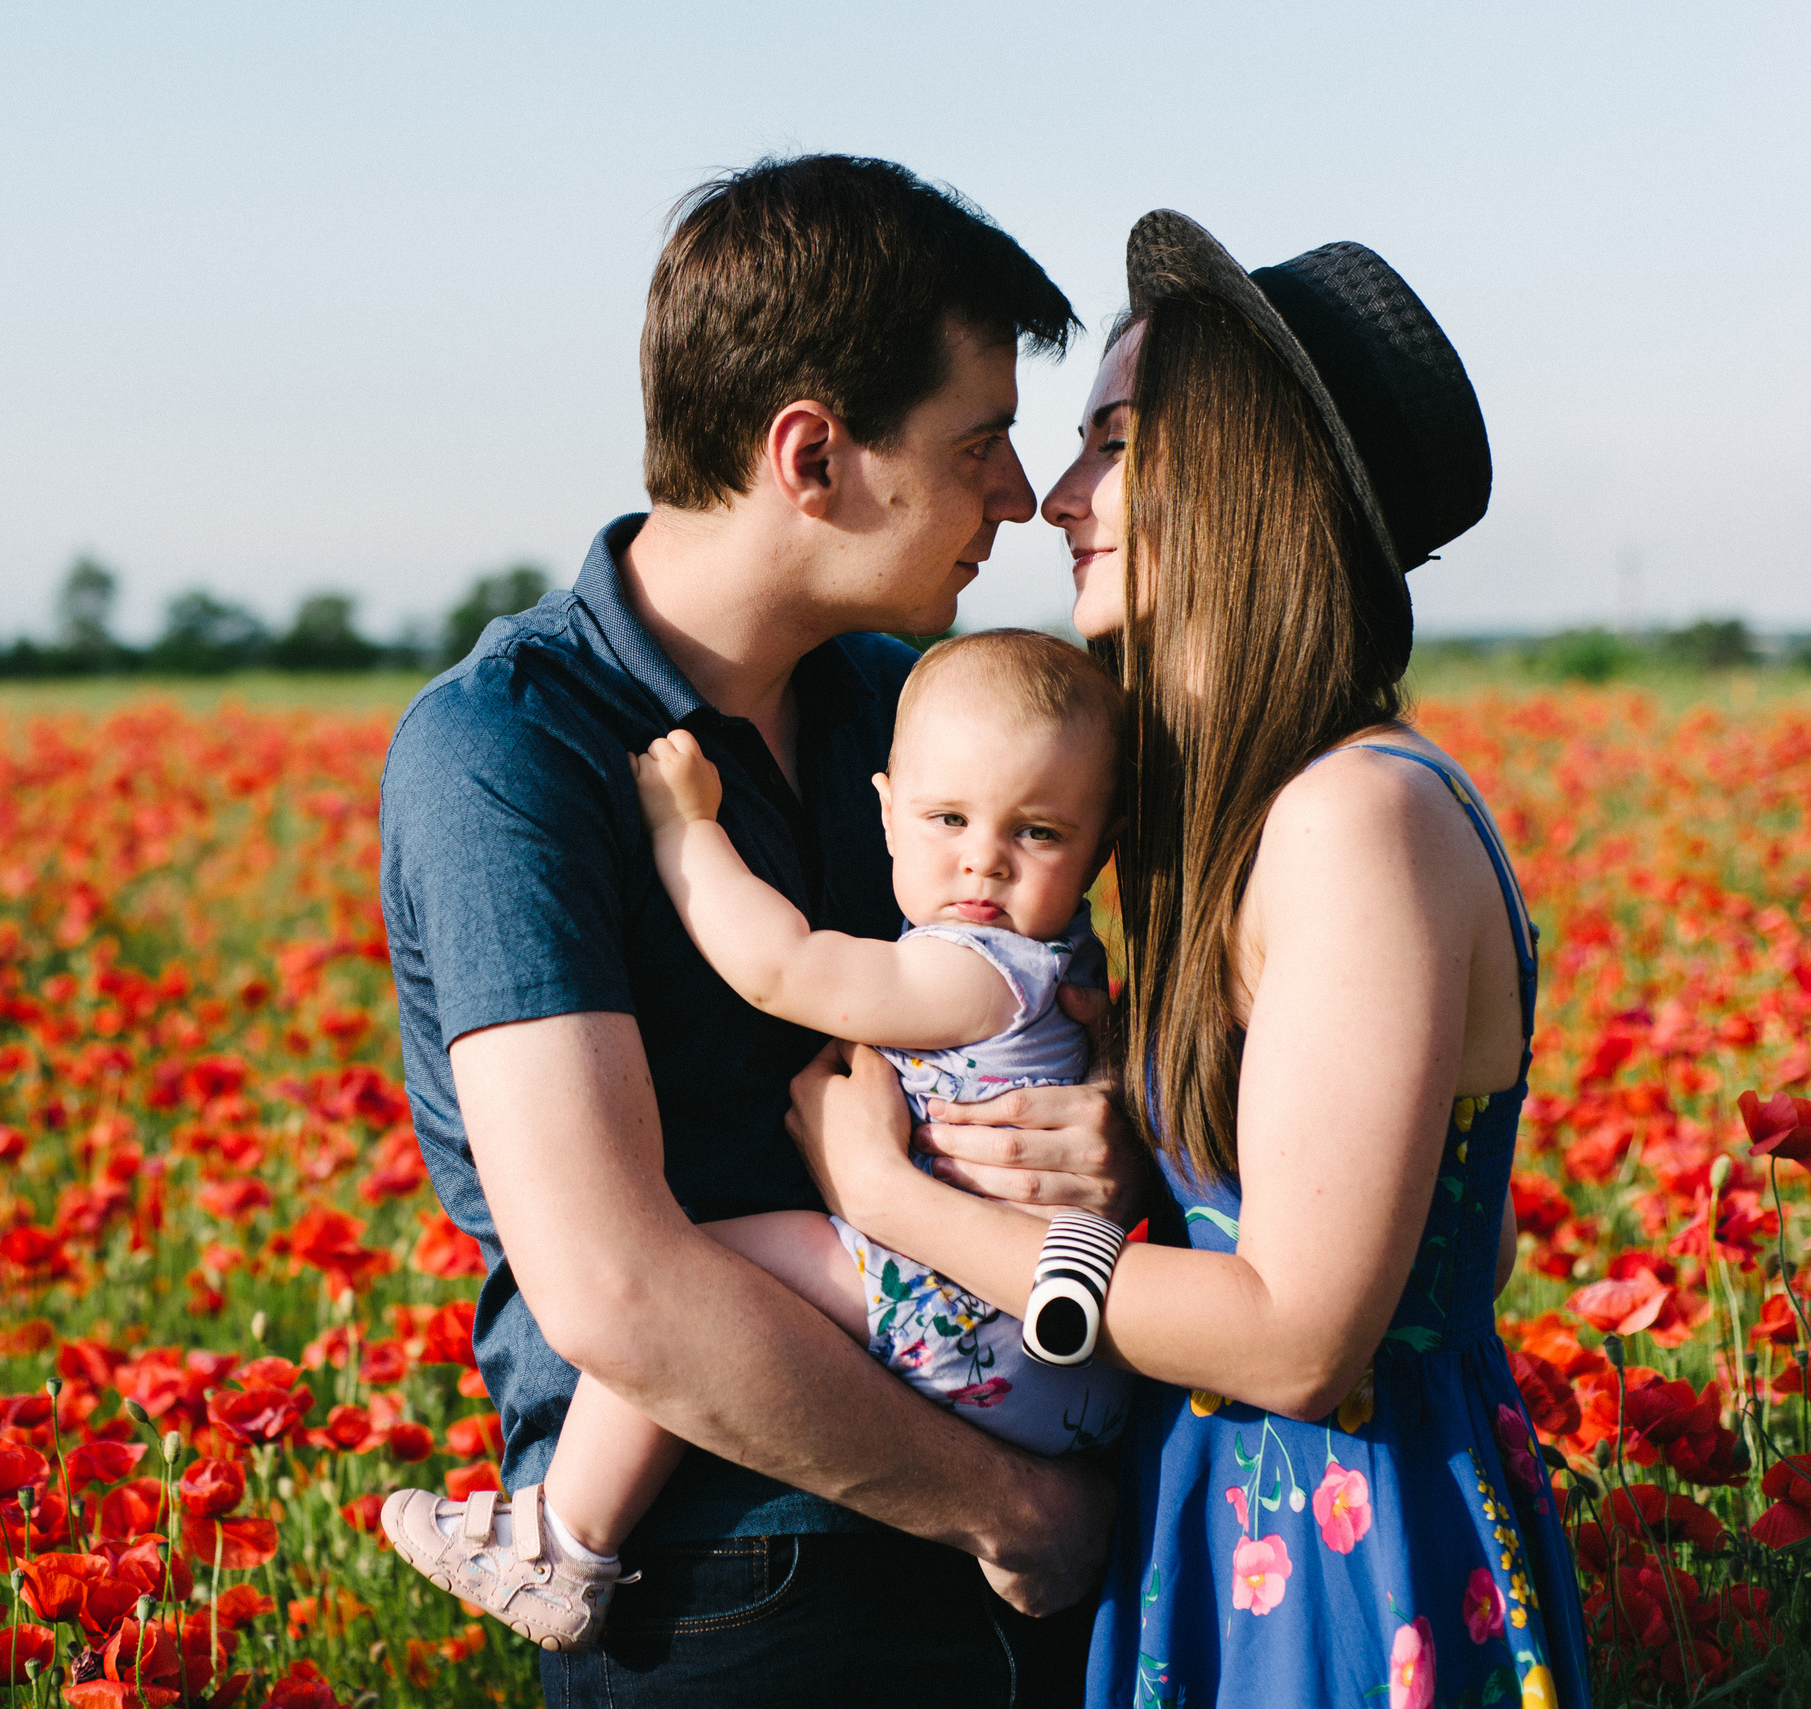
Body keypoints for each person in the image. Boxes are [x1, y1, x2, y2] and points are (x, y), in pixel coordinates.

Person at [786, 212, 1591, 1709]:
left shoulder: (1355, 818)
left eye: (1112, 443)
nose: (1060, 496)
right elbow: (1453, 1246)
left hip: (1344, 1549)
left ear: (1245, 473)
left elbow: (1297, 1341)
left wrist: (892, 1201)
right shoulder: (1247, 813)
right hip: (1240, 1514)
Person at [377, 155, 1152, 1705]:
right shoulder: (512, 749)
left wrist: (1101, 1139)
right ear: (812, 455)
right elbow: (614, 1283)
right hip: (731, 1566)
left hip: (1021, 1497)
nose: (1020, 494)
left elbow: (1041, 1029)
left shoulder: (907, 708)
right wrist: (1013, 1510)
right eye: (981, 441)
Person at [382, 628, 1137, 1653]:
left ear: (1099, 845)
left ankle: (563, 1538)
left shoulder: (976, 967)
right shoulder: (1062, 959)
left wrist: (686, 827)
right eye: (949, 819)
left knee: (689, 1274)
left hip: (970, 1314)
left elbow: (783, 968)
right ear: (886, 809)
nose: (982, 858)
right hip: (1052, 1356)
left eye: (1036, 832)